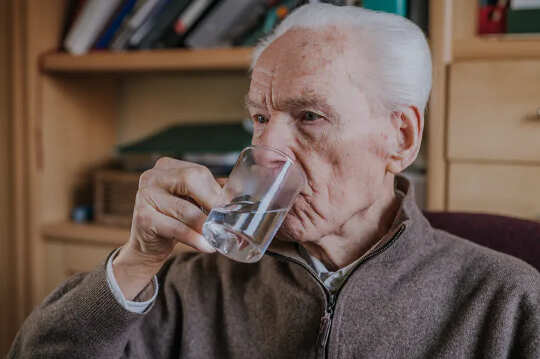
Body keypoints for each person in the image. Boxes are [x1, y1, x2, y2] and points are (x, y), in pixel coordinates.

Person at [9, 3, 539, 358]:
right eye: (260, 118)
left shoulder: (510, 306)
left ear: (399, 138)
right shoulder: (191, 285)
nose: (265, 149)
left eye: (309, 116)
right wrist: (136, 261)